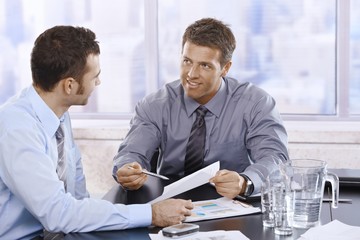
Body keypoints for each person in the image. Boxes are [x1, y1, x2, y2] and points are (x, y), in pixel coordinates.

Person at [0, 26, 193, 240]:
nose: (98, 83)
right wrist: (152, 214)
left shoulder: (58, 114)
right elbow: (57, 213)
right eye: (95, 77)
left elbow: (77, 196)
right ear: (70, 86)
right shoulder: (16, 128)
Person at [113, 18, 289, 199]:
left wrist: (245, 182)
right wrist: (127, 169)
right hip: (169, 202)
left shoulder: (255, 104)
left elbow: (275, 159)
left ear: (225, 68)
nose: (191, 74)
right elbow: (131, 153)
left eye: (205, 65)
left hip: (233, 204)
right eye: (187, 61)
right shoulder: (155, 104)